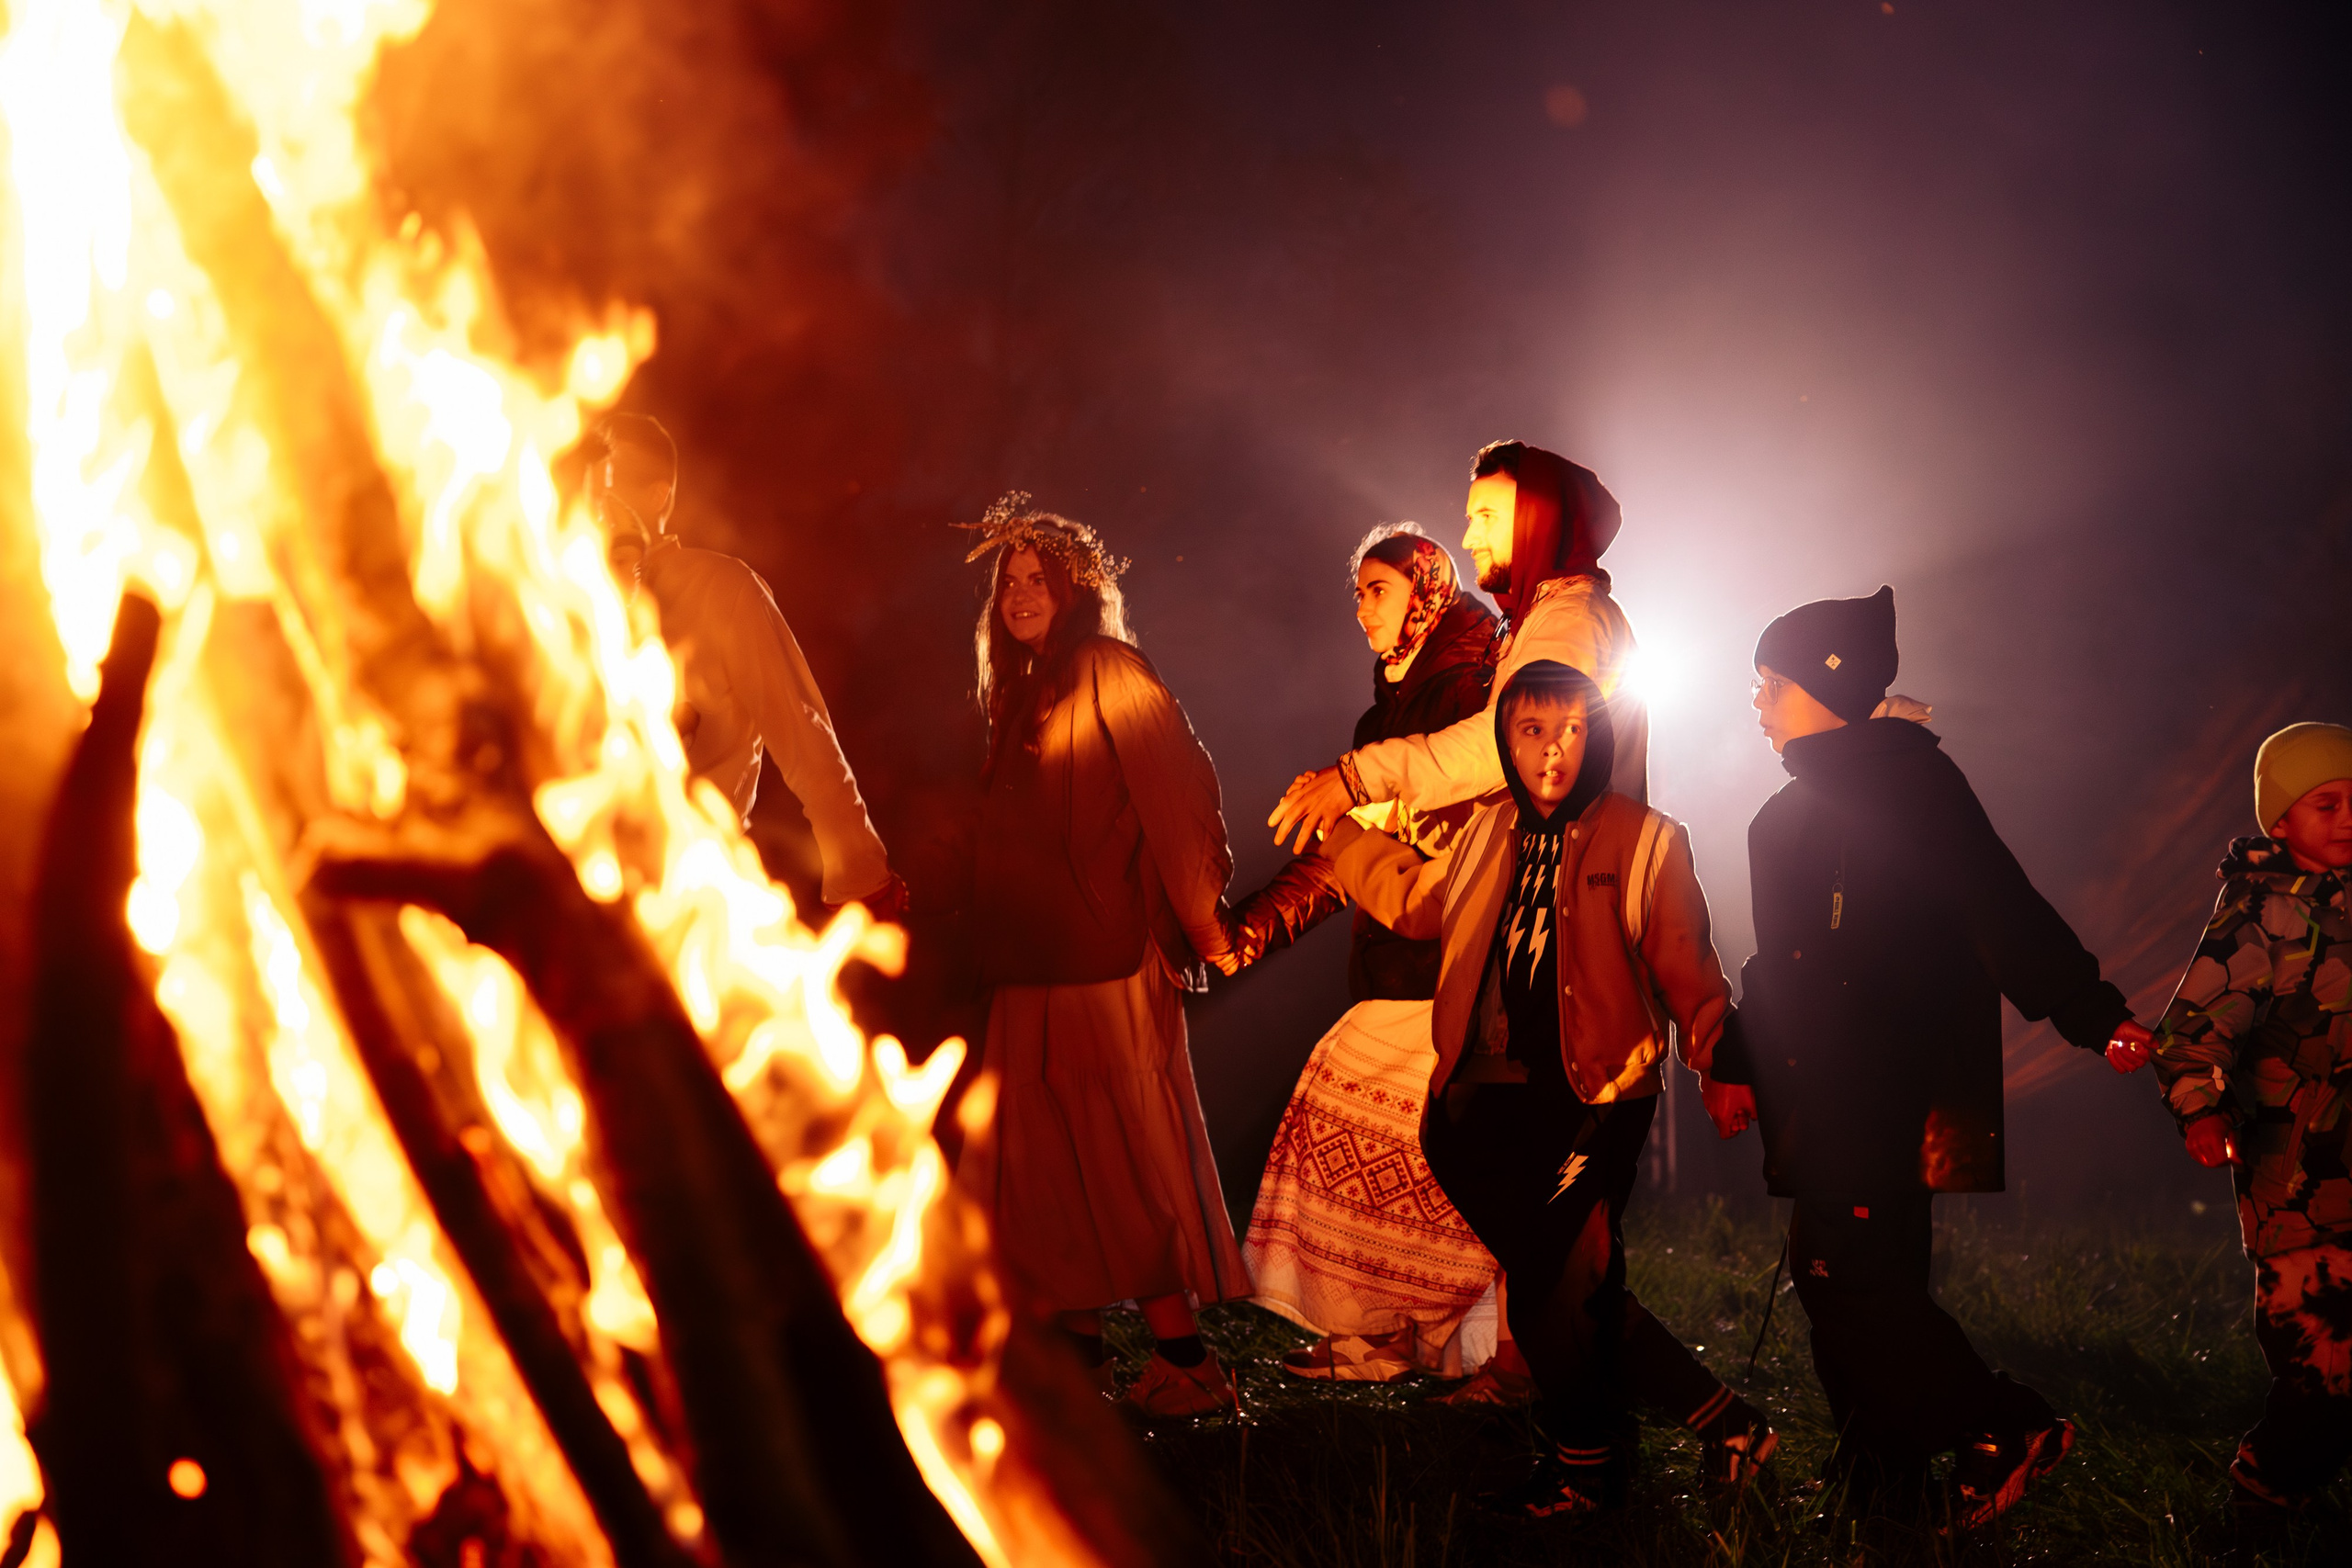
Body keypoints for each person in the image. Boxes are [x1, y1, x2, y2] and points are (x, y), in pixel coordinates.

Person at [1709, 586, 2154, 1531]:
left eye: (1772, 683)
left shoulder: (1914, 786)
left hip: (1895, 1086)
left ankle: (2004, 1421)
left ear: (1833, 686)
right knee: (1847, 1280)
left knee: (1848, 1277)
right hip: (1817, 1094)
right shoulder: (1779, 819)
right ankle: (1882, 1483)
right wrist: (1736, 1059)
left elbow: (1998, 904)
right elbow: (1775, 965)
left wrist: (2091, 1012)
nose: (1756, 702)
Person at [1318, 659, 1775, 1516]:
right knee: (1567, 1286)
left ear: (1596, 736)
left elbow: (1688, 965)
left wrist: (1720, 1063)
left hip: (1595, 1101)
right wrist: (1341, 837)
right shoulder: (1485, 830)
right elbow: (1416, 901)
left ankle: (1588, 1466)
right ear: (1508, 740)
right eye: (1532, 730)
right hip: (1475, 1108)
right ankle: (1718, 1429)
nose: (1553, 750)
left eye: (1572, 729)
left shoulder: (1647, 838)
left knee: (1548, 1287)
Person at [948, 493, 1250, 1419]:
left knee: (1117, 1160)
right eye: (1008, 581)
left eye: (1037, 579)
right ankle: (1081, 1367)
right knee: (1041, 1165)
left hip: (1105, 962)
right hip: (1031, 961)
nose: (1019, 594)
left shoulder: (1108, 669)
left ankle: (1189, 1364)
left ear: (1075, 590)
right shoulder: (1020, 691)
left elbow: (1177, 795)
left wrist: (1201, 925)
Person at [1225, 524, 1510, 1385]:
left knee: (1417, 1159)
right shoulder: (1384, 713)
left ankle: (1489, 1348)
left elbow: (1436, 828)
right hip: (1393, 959)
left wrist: (1358, 812)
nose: (1361, 610)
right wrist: (1250, 931)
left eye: (1377, 590)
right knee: (1378, 1159)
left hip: (1453, 965)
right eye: (1356, 593)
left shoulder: (1472, 694)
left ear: (1427, 590)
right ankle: (1390, 1331)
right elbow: (1339, 855)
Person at [2144, 722, 2352, 1526]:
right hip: (2295, 1179)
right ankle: (2260, 1510)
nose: (2346, 817)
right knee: (2320, 1364)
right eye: (2326, 803)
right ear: (2282, 818)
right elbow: (2193, 1032)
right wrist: (2200, 1108)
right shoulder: (2260, 916)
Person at [584, 412, 903, 917]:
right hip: (581, 886)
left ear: (658, 496)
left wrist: (862, 876)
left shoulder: (723, 590)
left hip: (690, 896)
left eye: (612, 484)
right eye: (590, 485)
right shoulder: (560, 609)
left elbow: (802, 732)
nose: (596, 502)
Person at [1268, 440, 1645, 854]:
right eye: (1470, 519)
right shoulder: (1540, 618)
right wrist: (1373, 808)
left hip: (1571, 877)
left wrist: (1362, 776)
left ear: (1538, 519)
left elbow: (1507, 743)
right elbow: (1498, 793)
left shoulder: (1573, 620)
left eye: (1487, 517)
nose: (1468, 538)